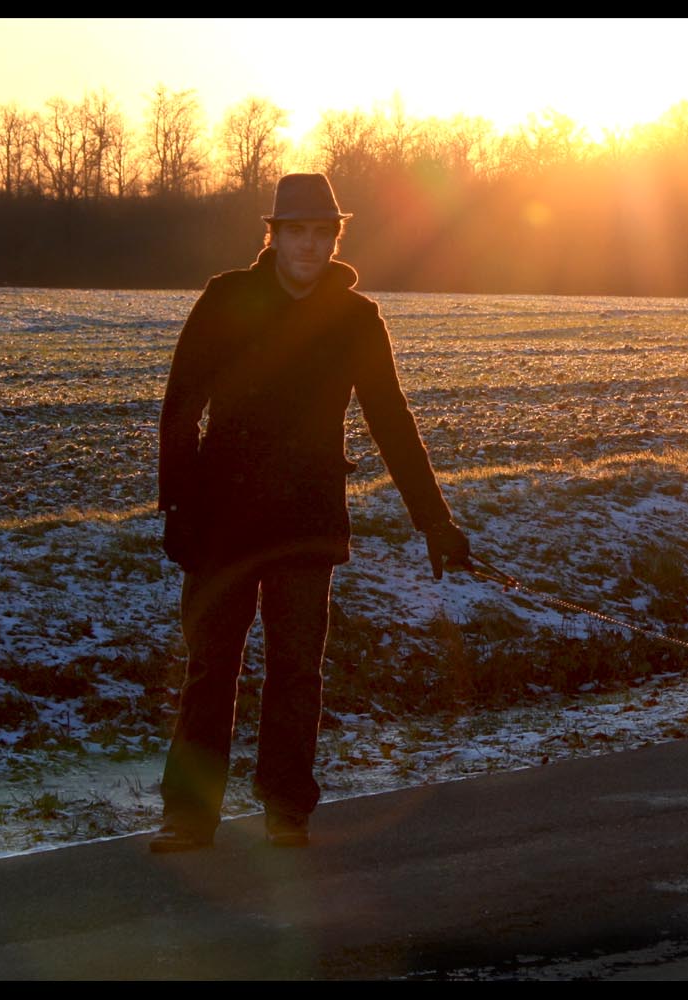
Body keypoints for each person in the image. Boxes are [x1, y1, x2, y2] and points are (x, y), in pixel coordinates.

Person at [151, 173, 471, 851]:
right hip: (221, 518)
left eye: (322, 232)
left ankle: (286, 809)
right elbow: (181, 409)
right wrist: (176, 504)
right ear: (274, 236)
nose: (309, 244)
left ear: (335, 238)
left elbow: (392, 421)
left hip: (307, 518)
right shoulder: (226, 299)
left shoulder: (357, 318)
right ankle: (188, 814)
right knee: (212, 666)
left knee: (297, 671)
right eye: (296, 231)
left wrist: (434, 522)